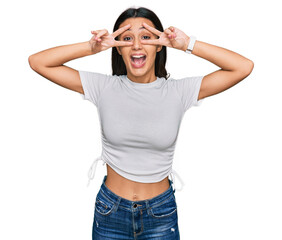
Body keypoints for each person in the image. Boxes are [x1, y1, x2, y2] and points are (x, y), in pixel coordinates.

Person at [28, 6, 254, 240]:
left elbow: (242, 67)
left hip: (161, 214)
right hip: (110, 213)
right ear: (117, 48)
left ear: (159, 44)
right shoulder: (104, 87)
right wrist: (91, 47)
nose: (136, 45)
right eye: (127, 38)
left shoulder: (179, 91)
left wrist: (187, 43)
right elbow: (38, 62)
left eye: (146, 36)